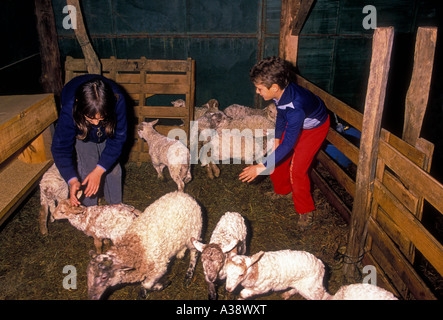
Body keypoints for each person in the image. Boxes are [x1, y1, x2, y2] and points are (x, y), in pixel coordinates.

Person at [239, 56, 330, 229]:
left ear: (273, 87)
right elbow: (281, 115)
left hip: (314, 128)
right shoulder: (281, 93)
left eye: (259, 89)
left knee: (297, 169)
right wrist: (276, 139)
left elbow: (289, 144)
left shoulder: (295, 107)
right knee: (276, 153)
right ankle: (283, 190)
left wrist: (261, 166)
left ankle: (305, 210)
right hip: (298, 121)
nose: (257, 92)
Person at [51, 74, 128, 207]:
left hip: (108, 128)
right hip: (82, 130)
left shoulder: (117, 101)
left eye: (100, 118)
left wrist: (100, 170)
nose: (96, 123)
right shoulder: (70, 109)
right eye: (91, 118)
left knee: (113, 168)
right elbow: (60, 147)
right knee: (87, 167)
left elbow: (118, 138)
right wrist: (72, 180)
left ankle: (116, 209)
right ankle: (89, 211)